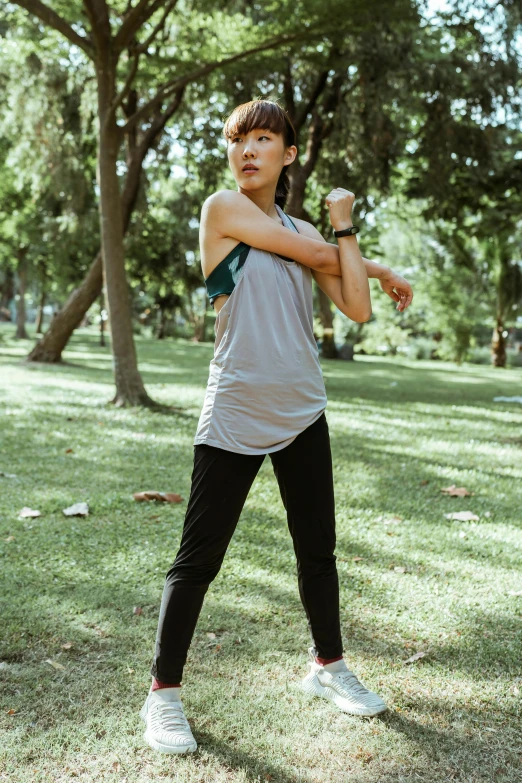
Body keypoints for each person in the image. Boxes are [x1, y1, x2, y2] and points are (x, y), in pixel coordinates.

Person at [140, 98, 413, 754]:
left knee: (317, 550)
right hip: (234, 408)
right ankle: (163, 694)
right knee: (197, 559)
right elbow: (316, 255)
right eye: (239, 140)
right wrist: (360, 252)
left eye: (264, 139)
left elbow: (355, 309)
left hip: (302, 410)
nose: (249, 150)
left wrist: (345, 233)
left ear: (288, 154)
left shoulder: (303, 231)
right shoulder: (223, 210)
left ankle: (328, 666)